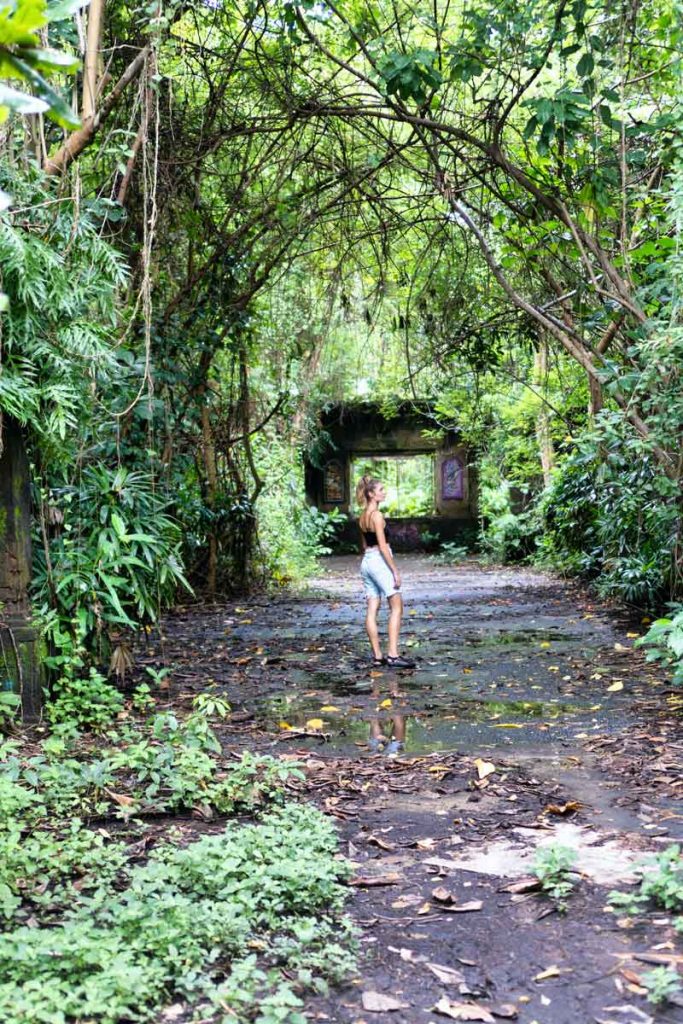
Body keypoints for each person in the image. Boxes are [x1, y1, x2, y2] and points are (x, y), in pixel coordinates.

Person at [356, 475, 415, 669]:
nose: (384, 492)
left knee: (372, 608)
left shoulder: (363, 516)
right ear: (372, 494)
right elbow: (382, 546)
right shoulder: (377, 516)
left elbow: (365, 545)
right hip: (379, 562)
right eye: (381, 490)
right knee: (397, 606)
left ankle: (377, 656)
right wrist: (395, 571)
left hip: (366, 563)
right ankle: (393, 654)